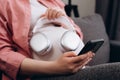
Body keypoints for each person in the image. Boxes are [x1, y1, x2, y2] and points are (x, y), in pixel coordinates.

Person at [0, 0, 120, 80]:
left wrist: (62, 19)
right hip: (42, 74)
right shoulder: (5, 3)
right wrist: (55, 67)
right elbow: (3, 55)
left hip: (75, 68)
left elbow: (76, 32)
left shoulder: (54, 1)